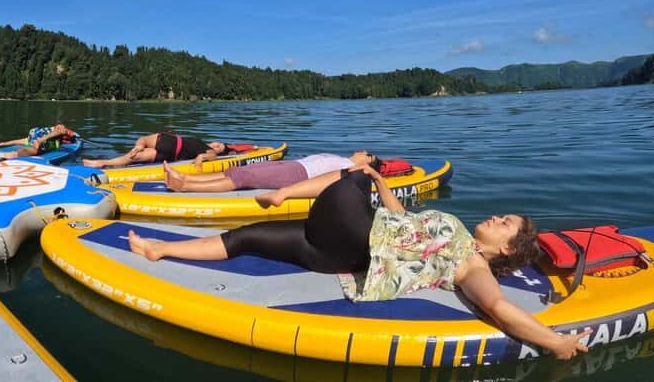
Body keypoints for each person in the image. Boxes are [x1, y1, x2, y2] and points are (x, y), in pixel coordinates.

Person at [128, 162, 592, 361]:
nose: (495, 216)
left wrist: (556, 343)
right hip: (335, 252)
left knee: (350, 180)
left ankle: (283, 192)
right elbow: (399, 216)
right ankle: (162, 250)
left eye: (505, 222)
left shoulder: (471, 262)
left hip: (359, 242)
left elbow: (499, 308)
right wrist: (378, 178)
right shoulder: (453, 229)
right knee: (249, 237)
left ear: (508, 248)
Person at [163, 150, 383, 192]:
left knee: (244, 177)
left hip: (298, 175)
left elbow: (366, 175)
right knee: (239, 169)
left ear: (366, 163)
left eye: (368, 155)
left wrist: (374, 171)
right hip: (295, 165)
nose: (363, 151)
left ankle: (186, 186)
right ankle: (186, 176)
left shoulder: (352, 168)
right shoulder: (342, 158)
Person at [82, 132, 230, 168]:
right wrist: (139, 145)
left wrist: (203, 157)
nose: (215, 147)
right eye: (218, 144)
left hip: (171, 152)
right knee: (141, 144)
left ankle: (103, 163)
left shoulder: (207, 149)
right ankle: (102, 162)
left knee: (135, 157)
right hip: (170, 141)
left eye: (219, 148)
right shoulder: (201, 142)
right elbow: (145, 139)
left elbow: (211, 155)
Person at [0, 124, 78, 157]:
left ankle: (15, 154)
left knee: (33, 149)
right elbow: (16, 141)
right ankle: (15, 154)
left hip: (43, 141)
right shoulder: (29, 139)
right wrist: (2, 144)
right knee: (33, 147)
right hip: (42, 140)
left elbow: (62, 131)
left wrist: (41, 140)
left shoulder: (58, 134)